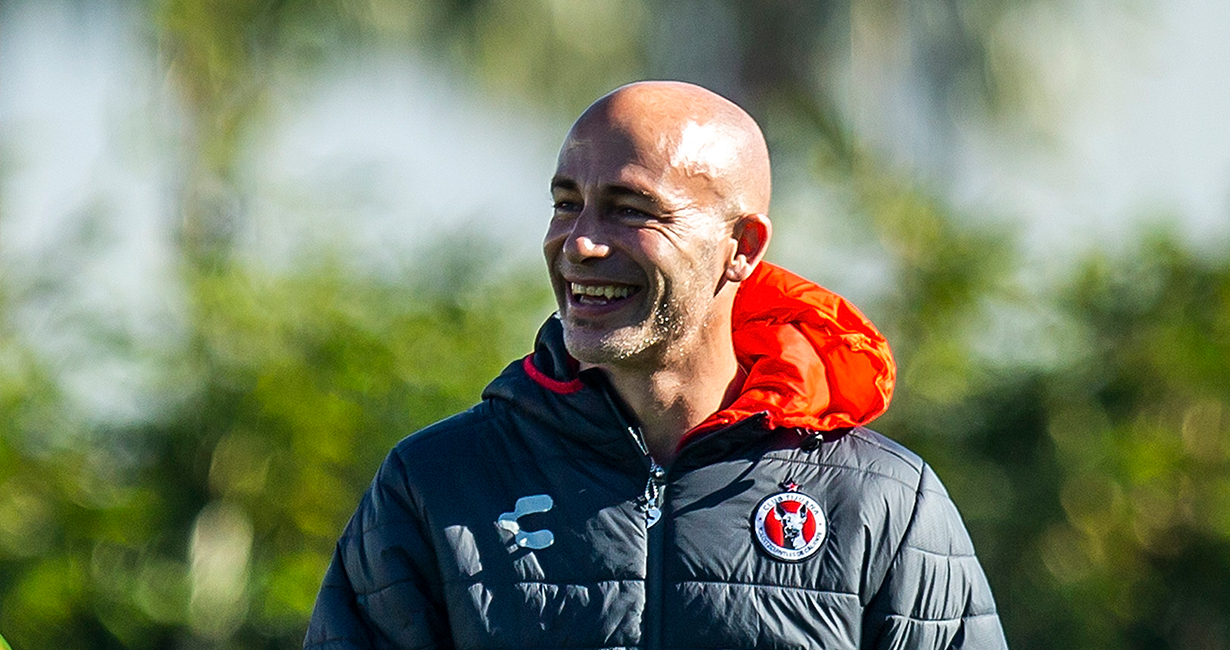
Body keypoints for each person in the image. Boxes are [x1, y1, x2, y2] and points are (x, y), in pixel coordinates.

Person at [305, 81, 1008, 649]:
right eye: (565, 204)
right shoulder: (436, 483)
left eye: (629, 209)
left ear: (742, 246)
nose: (579, 244)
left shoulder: (881, 499)